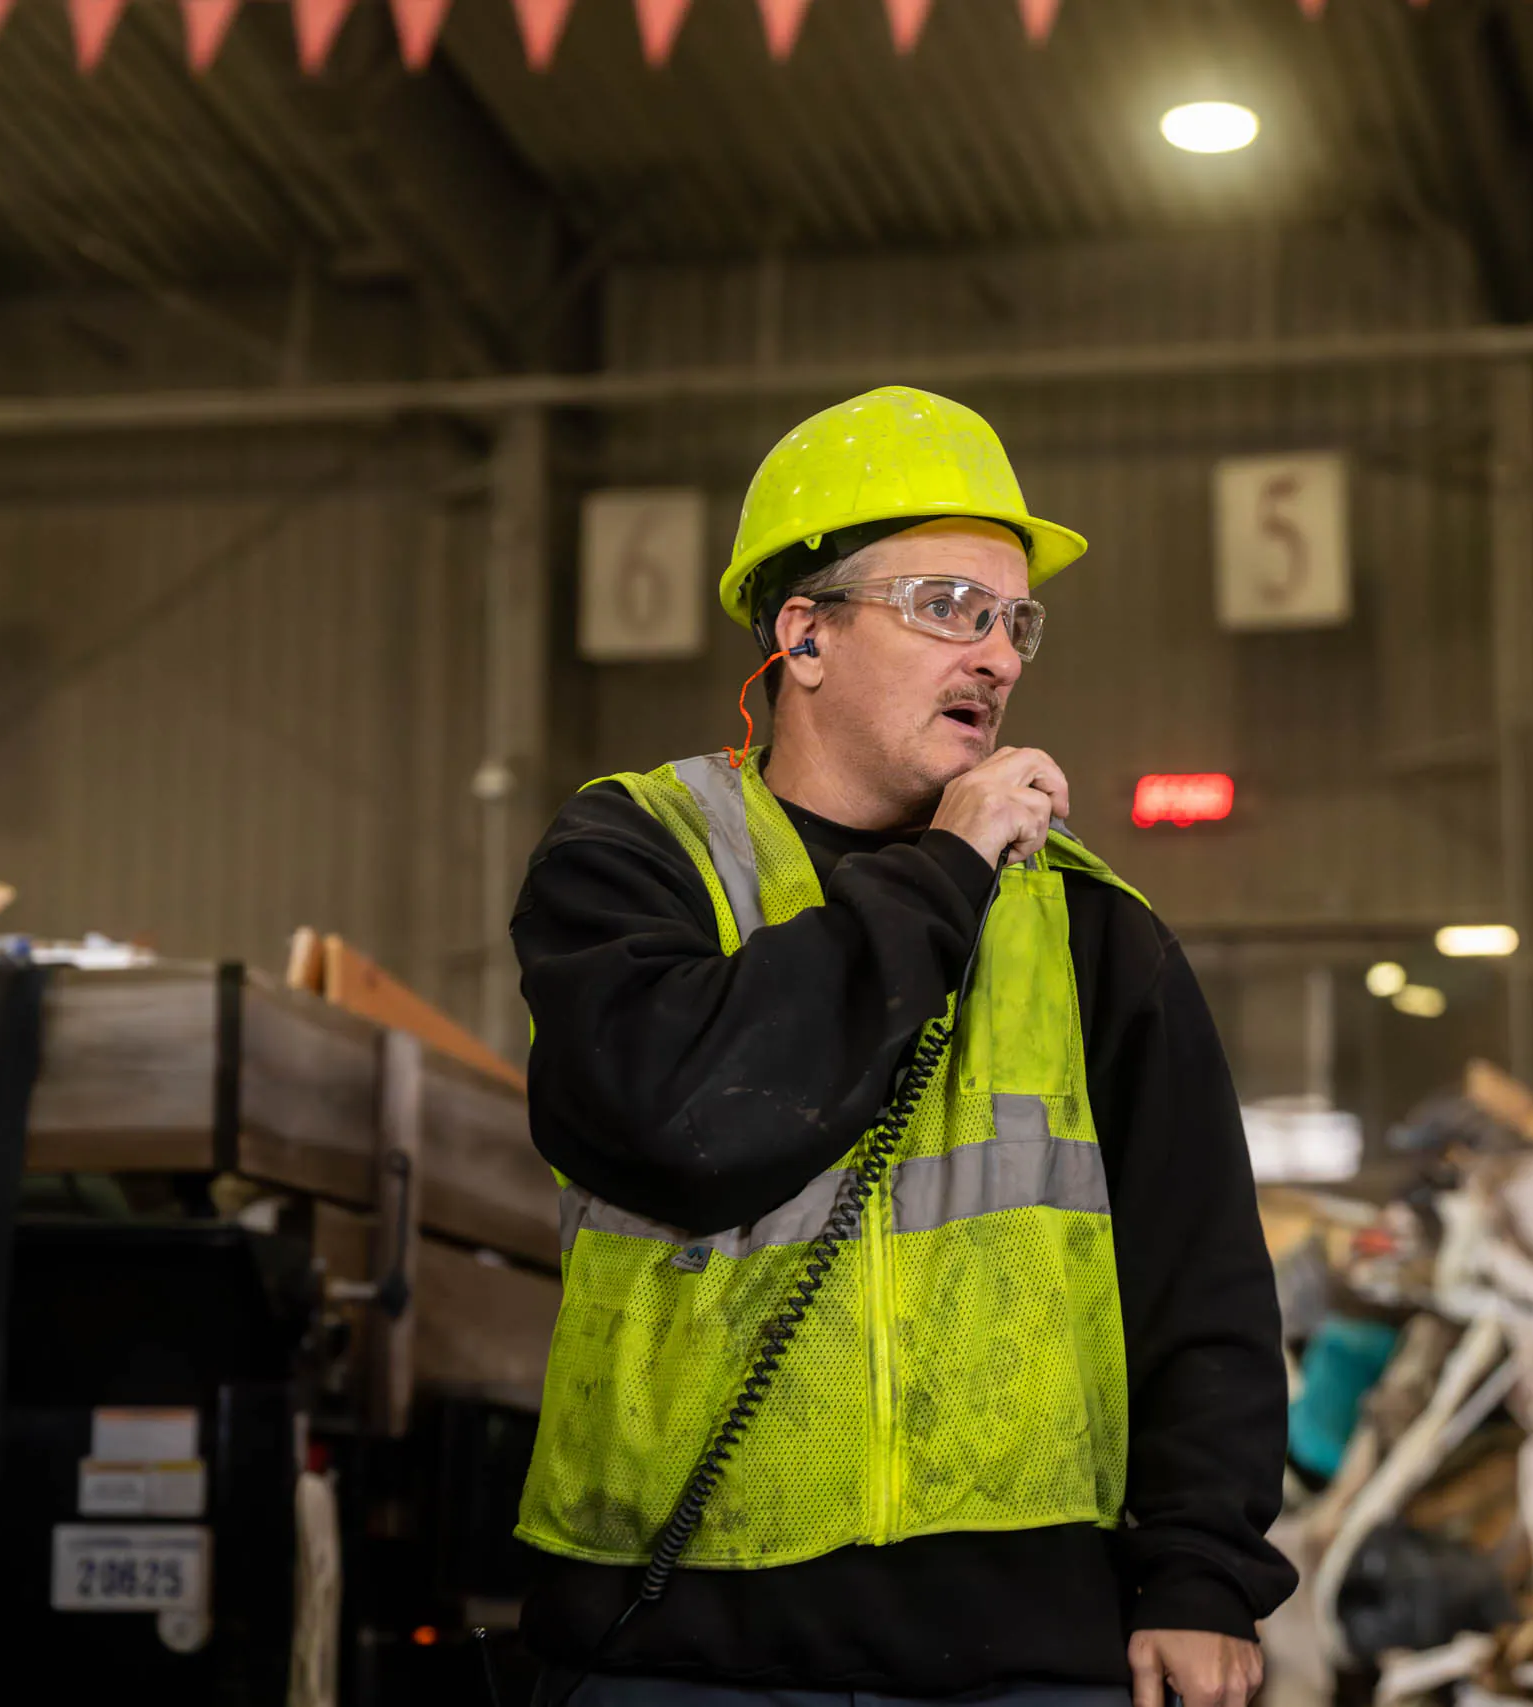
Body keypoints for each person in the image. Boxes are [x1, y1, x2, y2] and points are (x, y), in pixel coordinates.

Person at [511, 385, 1294, 1707]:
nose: (996, 655)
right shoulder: (632, 862)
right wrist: (943, 869)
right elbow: (688, 1125)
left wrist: (1203, 1571)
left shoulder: (1095, 932)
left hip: (1020, 1657)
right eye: (947, 607)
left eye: (1014, 619)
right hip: (678, 1642)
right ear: (803, 634)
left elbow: (1201, 1275)